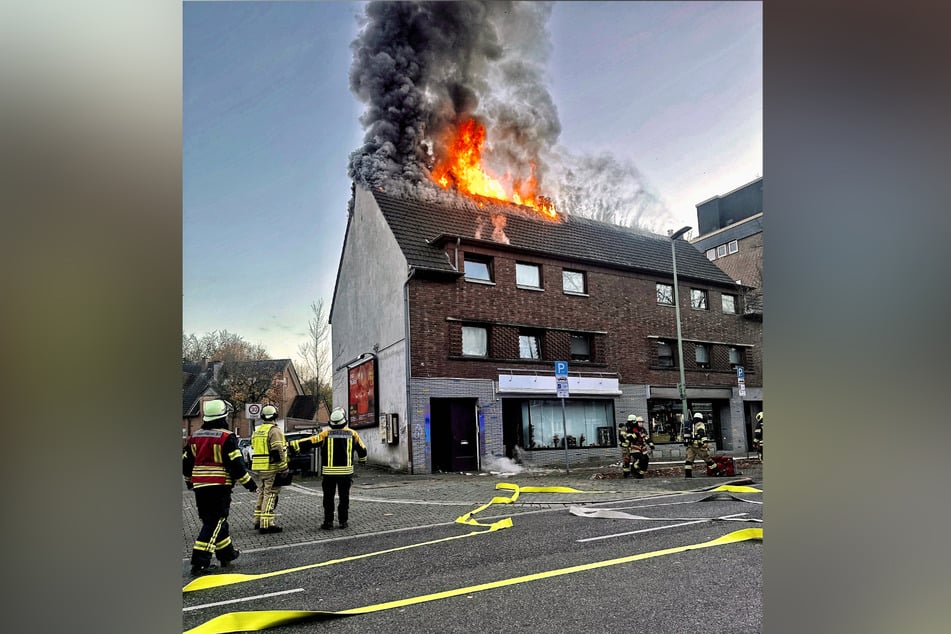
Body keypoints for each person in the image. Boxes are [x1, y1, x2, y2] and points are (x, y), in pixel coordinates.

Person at [183, 399, 258, 575]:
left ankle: (227, 554)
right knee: (215, 521)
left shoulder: (195, 436)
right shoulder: (227, 437)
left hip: (200, 487)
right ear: (224, 416)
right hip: (219, 486)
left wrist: (189, 481)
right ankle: (200, 562)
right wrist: (250, 484)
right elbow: (237, 465)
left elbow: (186, 463)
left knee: (215, 521)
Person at [289, 407, 367, 529]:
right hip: (345, 474)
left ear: (331, 422)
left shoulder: (325, 434)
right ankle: (343, 522)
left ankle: (328, 522)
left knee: (328, 498)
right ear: (344, 421)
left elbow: (310, 441)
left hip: (329, 474)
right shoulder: (352, 434)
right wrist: (362, 460)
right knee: (344, 498)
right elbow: (362, 449)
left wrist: (292, 444)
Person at [250, 405, 289, 534]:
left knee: (262, 493)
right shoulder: (274, 431)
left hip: (259, 468)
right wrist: (283, 468)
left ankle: (258, 520)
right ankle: (266, 524)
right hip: (271, 467)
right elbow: (277, 450)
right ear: (275, 416)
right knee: (271, 494)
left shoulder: (258, 430)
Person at [683, 412, 721, 478]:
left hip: (690, 445)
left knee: (689, 460)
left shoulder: (690, 423)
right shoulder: (700, 424)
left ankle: (688, 475)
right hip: (698, 446)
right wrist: (705, 442)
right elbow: (701, 433)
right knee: (707, 458)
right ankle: (716, 472)